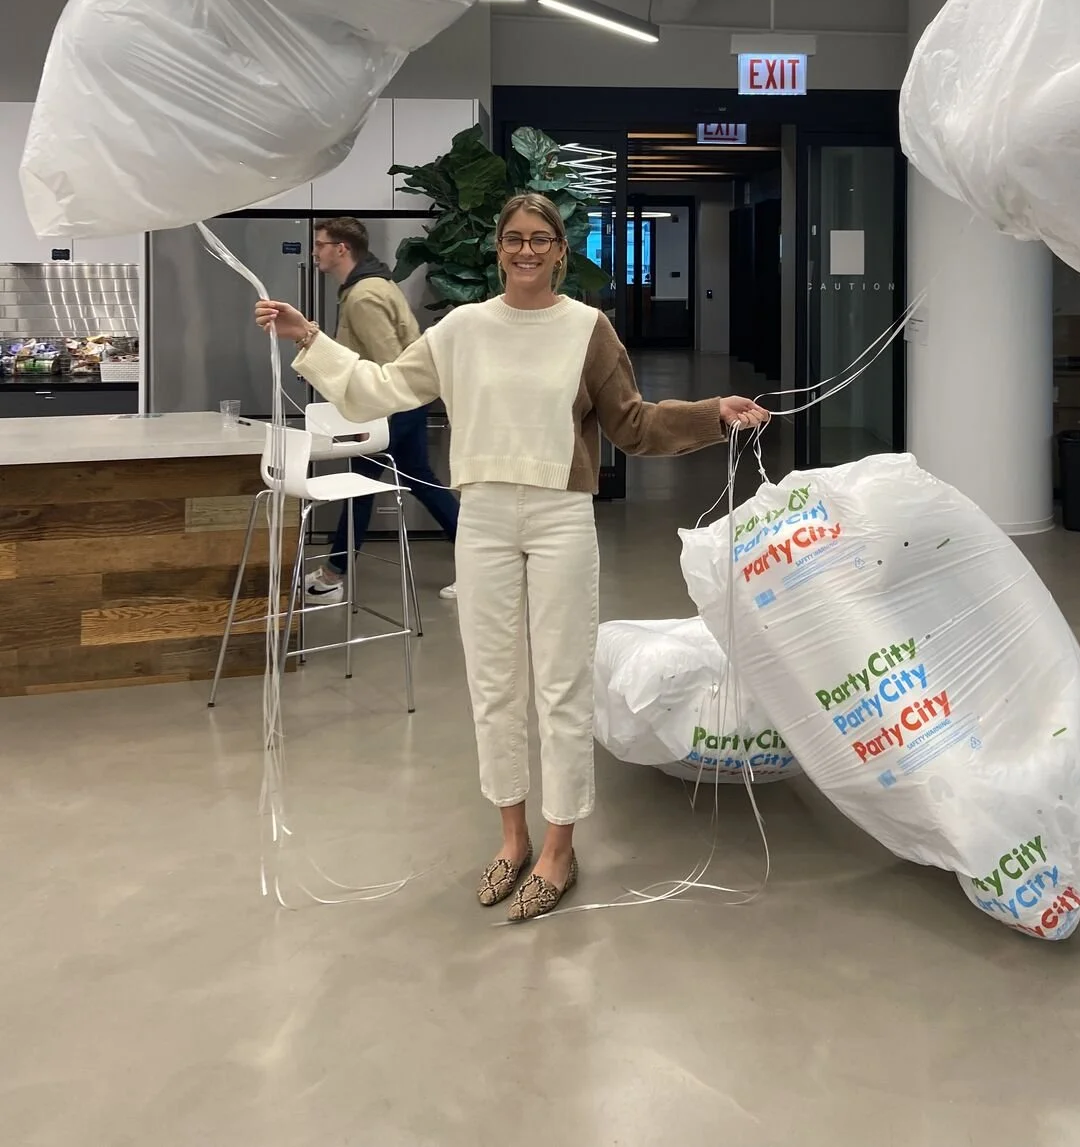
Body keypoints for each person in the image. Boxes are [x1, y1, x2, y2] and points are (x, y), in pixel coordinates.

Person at [256, 192, 768, 923]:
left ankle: (559, 847)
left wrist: (710, 413)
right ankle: (512, 837)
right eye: (515, 239)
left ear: (560, 250)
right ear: (499, 249)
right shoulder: (463, 328)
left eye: (541, 239)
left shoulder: (588, 328)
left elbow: (632, 424)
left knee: (562, 684)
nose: (527, 250)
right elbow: (377, 390)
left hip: (562, 515)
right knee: (493, 684)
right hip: (485, 517)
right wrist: (308, 335)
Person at [306, 216, 458, 602]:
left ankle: (333, 574)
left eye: (320, 245)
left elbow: (391, 364)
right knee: (418, 480)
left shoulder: (363, 296)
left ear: (342, 249)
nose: (315, 252)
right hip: (405, 402)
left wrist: (376, 421)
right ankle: (484, 562)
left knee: (360, 485)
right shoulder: (371, 284)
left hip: (391, 406)